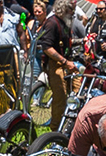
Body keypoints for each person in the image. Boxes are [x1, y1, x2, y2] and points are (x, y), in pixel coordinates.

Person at [35, 0, 76, 133]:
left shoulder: (65, 22)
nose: (73, 12)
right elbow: (46, 47)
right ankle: (55, 131)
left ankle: (72, 126)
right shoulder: (52, 23)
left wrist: (82, 41)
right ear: (63, 9)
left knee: (77, 93)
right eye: (71, 9)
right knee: (61, 98)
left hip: (67, 63)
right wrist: (65, 62)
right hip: (56, 65)